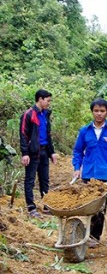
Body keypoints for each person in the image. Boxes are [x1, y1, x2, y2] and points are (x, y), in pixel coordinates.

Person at [72, 98, 107, 245]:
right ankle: (86, 233)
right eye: (96, 111)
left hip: (105, 176)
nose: (99, 114)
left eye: (102, 111)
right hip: (88, 175)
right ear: (92, 112)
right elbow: (78, 151)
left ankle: (94, 237)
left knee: (100, 208)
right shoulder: (85, 131)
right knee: (88, 206)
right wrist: (77, 169)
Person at [19, 89, 57, 219]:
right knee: (30, 180)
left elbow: (48, 135)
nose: (49, 103)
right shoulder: (28, 114)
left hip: (44, 151)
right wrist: (25, 153)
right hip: (32, 152)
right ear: (40, 99)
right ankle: (31, 207)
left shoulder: (45, 114)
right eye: (48, 100)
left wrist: (52, 152)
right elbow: (23, 134)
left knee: (44, 179)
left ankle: (46, 205)